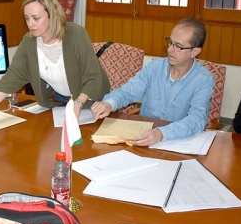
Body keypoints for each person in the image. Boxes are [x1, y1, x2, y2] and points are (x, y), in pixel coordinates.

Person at [0, 0, 110, 128]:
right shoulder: (29, 42)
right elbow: (12, 78)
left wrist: (78, 103)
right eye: (27, 18)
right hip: (62, 103)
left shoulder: (76, 34)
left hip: (94, 102)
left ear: (52, 15)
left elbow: (93, 77)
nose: (30, 24)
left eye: (36, 18)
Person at [91, 18, 215, 146]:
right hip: (143, 138)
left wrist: (161, 133)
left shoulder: (203, 80)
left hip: (176, 142)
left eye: (178, 46)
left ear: (195, 51)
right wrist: (109, 103)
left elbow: (197, 119)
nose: (170, 50)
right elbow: (127, 92)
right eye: (170, 42)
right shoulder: (154, 67)